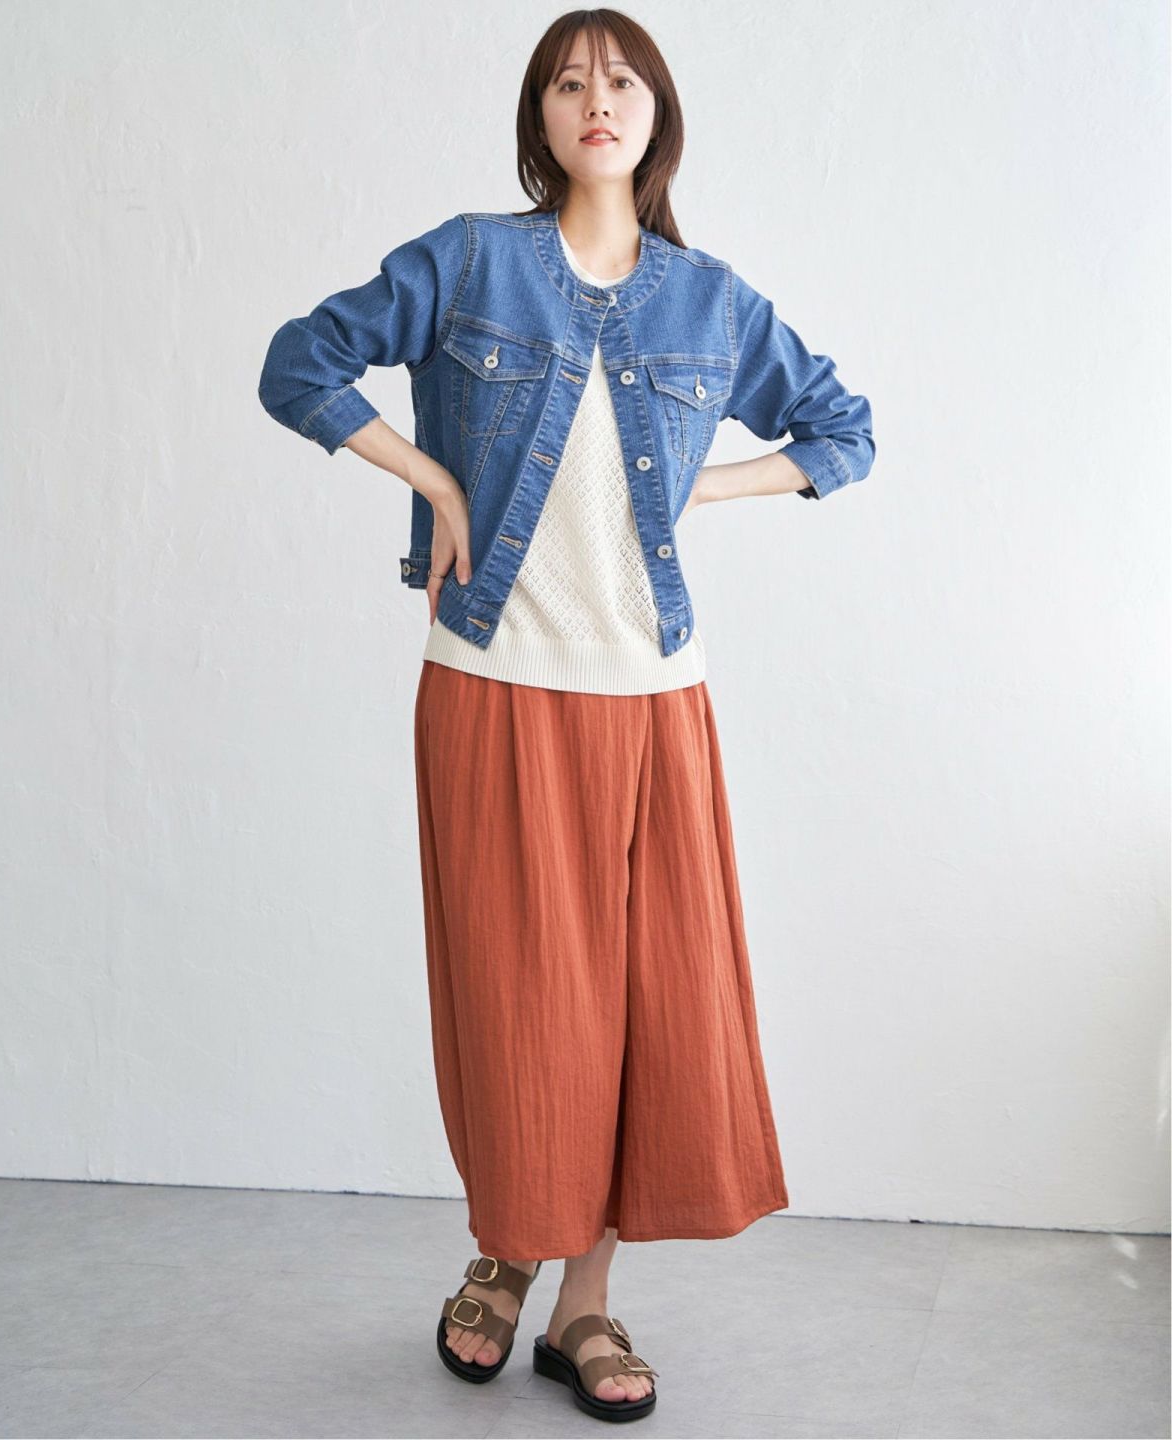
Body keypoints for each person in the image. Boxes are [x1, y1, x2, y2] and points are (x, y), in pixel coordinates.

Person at [259, 8, 875, 1422]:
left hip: (655, 699)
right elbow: (300, 362)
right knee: (524, 1008)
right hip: (493, 687)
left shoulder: (712, 303)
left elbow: (844, 429)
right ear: (540, 118)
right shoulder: (470, 262)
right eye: (567, 82)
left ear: (658, 115)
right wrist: (434, 480)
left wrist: (707, 485)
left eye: (622, 80)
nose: (597, 99)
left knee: (647, 1015)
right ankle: (505, 1253)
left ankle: (582, 1303)